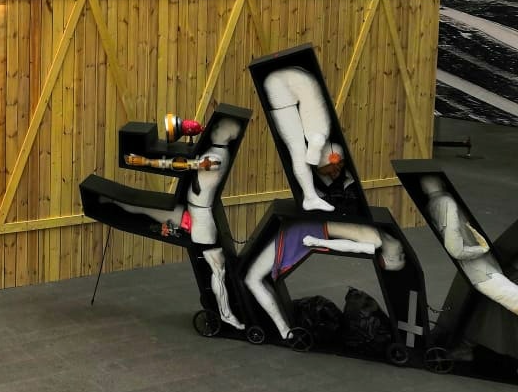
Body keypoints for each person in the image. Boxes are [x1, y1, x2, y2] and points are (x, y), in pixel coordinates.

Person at [102, 116, 248, 330]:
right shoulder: (215, 152)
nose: (214, 128)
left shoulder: (215, 158)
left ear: (227, 135)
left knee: (217, 270)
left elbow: (183, 165)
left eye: (220, 127)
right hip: (192, 212)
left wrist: (145, 162)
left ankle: (226, 315)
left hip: (201, 220)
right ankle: (111, 203)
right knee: (146, 209)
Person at [245, 221, 405, 339]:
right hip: (304, 232)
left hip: (306, 228)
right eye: (401, 256)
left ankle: (283, 328)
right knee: (253, 279)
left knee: (254, 278)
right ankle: (284, 330)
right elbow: (347, 246)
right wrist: (317, 242)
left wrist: (317, 241)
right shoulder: (375, 240)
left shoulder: (380, 233)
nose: (402, 253)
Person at [420, 175, 518, 316]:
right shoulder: (445, 202)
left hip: (481, 268)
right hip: (481, 270)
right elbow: (456, 250)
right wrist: (482, 249)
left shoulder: (434, 205)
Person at [261, 67, 337, 212]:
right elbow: (315, 141)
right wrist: (313, 154)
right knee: (298, 149)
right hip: (280, 87)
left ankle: (309, 191)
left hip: (286, 84)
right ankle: (310, 198)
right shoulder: (319, 129)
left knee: (302, 147)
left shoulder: (319, 124)